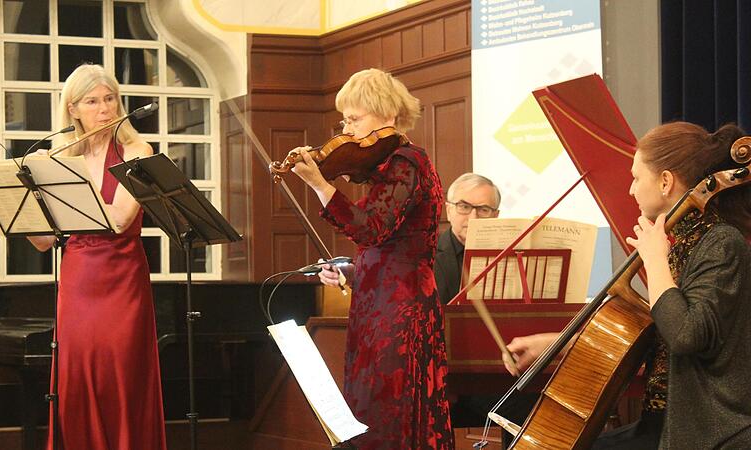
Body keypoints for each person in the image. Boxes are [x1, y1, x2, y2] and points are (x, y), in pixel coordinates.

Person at [503, 122, 751, 449]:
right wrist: (554, 344)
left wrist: (655, 259)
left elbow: (685, 336)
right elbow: (657, 338)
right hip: (670, 423)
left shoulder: (721, 242)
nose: (631, 190)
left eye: (636, 177)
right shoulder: (683, 243)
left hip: (707, 430)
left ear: (665, 181)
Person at [291, 68, 454, 449]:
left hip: (401, 310)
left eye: (354, 119)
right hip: (380, 303)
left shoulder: (407, 162)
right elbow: (386, 247)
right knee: (370, 411)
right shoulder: (386, 167)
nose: (347, 131)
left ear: (388, 115)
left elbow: (371, 229)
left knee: (388, 412)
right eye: (345, 122)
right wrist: (349, 271)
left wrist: (320, 185)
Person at [28, 64, 166, 450]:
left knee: (120, 375)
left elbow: (120, 218)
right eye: (92, 101)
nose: (104, 109)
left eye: (110, 99)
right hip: (78, 278)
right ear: (73, 109)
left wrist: (62, 181)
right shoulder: (59, 157)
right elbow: (43, 241)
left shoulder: (137, 151)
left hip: (122, 277)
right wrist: (23, 197)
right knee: (76, 376)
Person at [435, 172, 500, 304]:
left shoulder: (508, 256)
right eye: (464, 207)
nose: (473, 218)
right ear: (448, 211)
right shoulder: (425, 256)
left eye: (484, 210)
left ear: (495, 216)